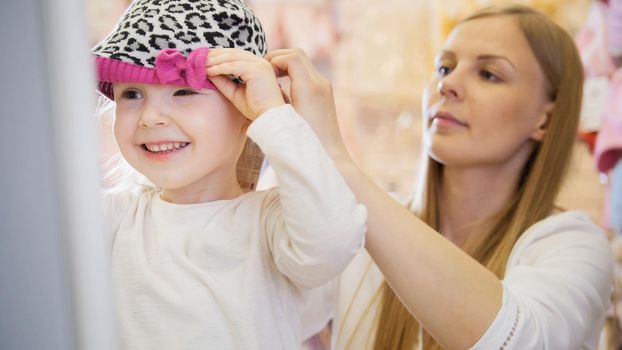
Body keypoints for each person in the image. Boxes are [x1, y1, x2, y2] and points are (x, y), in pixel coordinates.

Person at [267, 4, 614, 349]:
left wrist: (337, 162)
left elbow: (517, 341)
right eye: (444, 67)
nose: (448, 85)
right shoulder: (351, 237)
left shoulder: (572, 246)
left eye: (489, 74)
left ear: (545, 120)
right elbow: (261, 312)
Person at [92, 0, 367, 348]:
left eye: (184, 91)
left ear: (246, 110)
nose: (150, 118)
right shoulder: (113, 220)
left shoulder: (269, 225)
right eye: (132, 94)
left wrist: (275, 115)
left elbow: (334, 243)